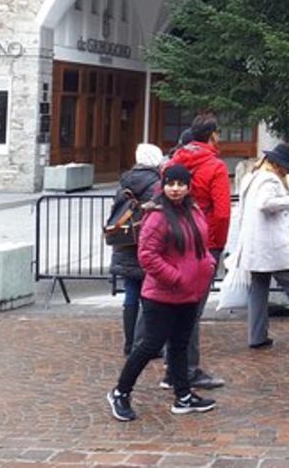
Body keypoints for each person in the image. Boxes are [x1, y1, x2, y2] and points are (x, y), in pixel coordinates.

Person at [108, 164, 218, 422]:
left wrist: (207, 268)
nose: (176, 189)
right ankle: (120, 392)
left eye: (181, 184)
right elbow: (147, 256)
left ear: (188, 186)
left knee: (179, 345)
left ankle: (183, 395)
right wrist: (175, 277)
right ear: (163, 185)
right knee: (150, 345)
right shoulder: (157, 216)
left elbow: (201, 243)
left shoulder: (193, 210)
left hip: (190, 292)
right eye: (171, 184)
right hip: (162, 295)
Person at [158, 113, 231, 389]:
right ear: (212, 134)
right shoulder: (215, 166)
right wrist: (217, 244)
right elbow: (222, 212)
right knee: (192, 309)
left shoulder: (174, 162)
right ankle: (186, 369)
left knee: (173, 304)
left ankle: (171, 366)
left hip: (174, 239)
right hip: (204, 242)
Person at [229, 143, 289, 350]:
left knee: (258, 289)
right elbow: (265, 203)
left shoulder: (251, 177)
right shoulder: (269, 179)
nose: (288, 171)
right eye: (287, 167)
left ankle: (256, 335)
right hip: (272, 247)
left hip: (254, 246)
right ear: (279, 165)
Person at [108, 143, 164, 357]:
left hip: (125, 242)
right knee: (149, 294)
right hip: (147, 242)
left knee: (131, 292)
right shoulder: (156, 185)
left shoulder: (124, 182)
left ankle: (130, 343)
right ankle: (145, 342)